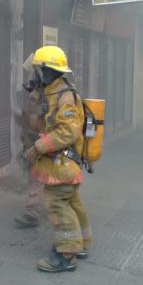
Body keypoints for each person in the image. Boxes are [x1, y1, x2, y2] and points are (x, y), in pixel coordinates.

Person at [22, 45, 92, 272]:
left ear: (46, 70)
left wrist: (37, 147)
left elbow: (68, 131)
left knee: (58, 206)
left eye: (38, 70)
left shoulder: (64, 96)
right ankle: (80, 244)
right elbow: (49, 123)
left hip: (62, 165)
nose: (35, 74)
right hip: (61, 163)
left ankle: (66, 255)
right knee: (72, 203)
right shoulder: (55, 91)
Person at [13, 55, 46, 229]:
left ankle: (32, 213)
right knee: (41, 177)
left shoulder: (45, 94)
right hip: (37, 140)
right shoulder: (42, 90)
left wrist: (26, 121)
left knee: (37, 177)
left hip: (41, 141)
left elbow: (41, 121)